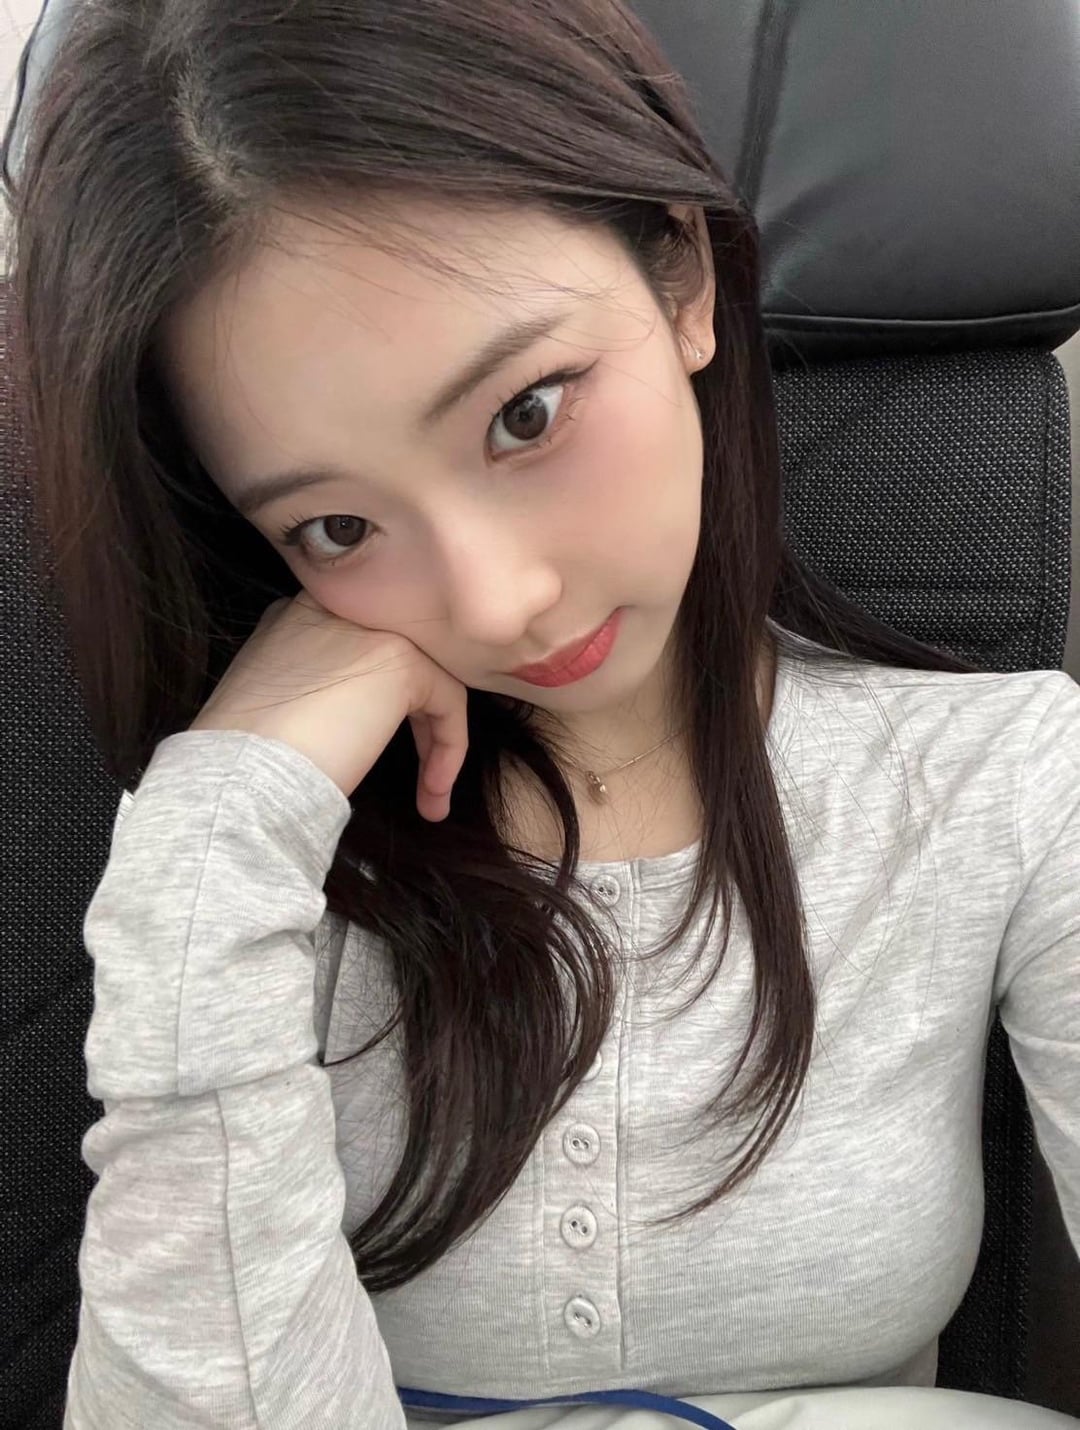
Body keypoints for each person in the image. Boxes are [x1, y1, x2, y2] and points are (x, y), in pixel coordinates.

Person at [4, 2, 1078, 1427]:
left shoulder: (1003, 783)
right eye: (337, 525)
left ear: (681, 273)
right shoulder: (253, 861)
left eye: (526, 414)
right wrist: (218, 834)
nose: (498, 602)